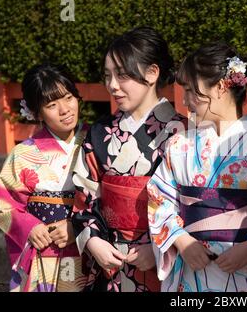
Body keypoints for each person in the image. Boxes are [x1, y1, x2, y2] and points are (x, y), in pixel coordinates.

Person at [147, 42, 247, 292]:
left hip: (246, 268)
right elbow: (160, 198)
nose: (185, 100)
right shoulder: (178, 145)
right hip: (191, 268)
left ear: (220, 86)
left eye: (190, 90)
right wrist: (181, 239)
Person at [71, 26, 187, 292]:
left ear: (152, 73)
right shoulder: (100, 132)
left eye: (122, 75)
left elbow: (195, 204)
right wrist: (93, 242)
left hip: (166, 264)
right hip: (109, 262)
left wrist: (161, 247)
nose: (112, 85)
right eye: (108, 76)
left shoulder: (185, 134)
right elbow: (82, 198)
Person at [0, 63, 88, 291]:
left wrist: (78, 224)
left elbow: (106, 199)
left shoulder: (95, 143)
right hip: (41, 246)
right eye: (52, 104)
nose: (65, 109)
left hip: (84, 245)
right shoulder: (23, 153)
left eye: (68, 98)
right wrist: (30, 228)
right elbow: (3, 205)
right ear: (37, 112)